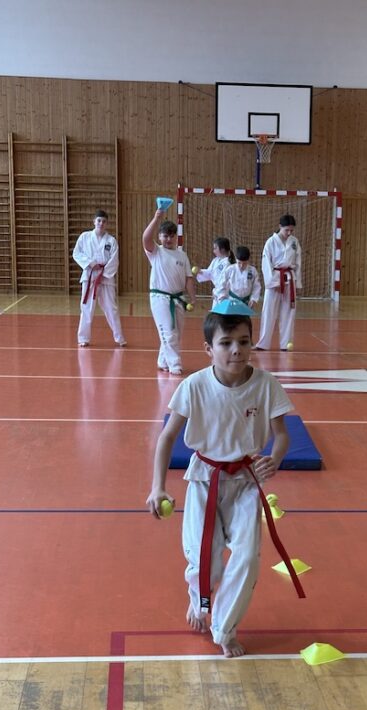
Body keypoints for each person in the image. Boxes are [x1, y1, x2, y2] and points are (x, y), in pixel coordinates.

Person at [146, 298, 304, 658]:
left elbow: (281, 435)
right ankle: (199, 599)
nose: (236, 350)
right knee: (206, 558)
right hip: (205, 480)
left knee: (247, 558)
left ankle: (225, 627)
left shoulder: (266, 385)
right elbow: (167, 437)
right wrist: (158, 487)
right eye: (226, 343)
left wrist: (275, 459)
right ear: (208, 349)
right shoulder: (194, 385)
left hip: (246, 481)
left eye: (244, 342)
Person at [142, 208, 196, 374]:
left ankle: (163, 360)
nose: (168, 239)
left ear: (176, 237)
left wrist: (192, 298)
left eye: (171, 236)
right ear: (160, 237)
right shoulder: (156, 252)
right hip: (160, 297)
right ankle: (175, 364)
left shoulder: (182, 256)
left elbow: (188, 278)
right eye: (165, 236)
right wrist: (156, 219)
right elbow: (145, 238)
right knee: (168, 331)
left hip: (178, 298)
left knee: (176, 333)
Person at [72, 209, 126, 348]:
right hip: (89, 276)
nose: (101, 223)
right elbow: (76, 253)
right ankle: (83, 338)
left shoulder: (111, 241)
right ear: (94, 222)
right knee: (86, 308)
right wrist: (90, 263)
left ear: (107, 224)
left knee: (111, 308)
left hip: (106, 278)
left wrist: (104, 274)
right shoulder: (84, 237)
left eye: (104, 221)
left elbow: (114, 260)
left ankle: (119, 338)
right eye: (99, 220)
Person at [255, 214, 302, 351]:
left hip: (290, 278)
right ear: (280, 226)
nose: (289, 233)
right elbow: (266, 263)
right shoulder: (271, 242)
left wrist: (297, 282)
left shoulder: (294, 242)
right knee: (268, 311)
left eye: (291, 230)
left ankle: (286, 344)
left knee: (289, 312)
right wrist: (272, 282)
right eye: (287, 230)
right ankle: (263, 344)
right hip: (275, 278)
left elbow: (298, 262)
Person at [195, 237, 235, 303]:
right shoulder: (216, 260)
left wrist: (216, 292)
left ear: (222, 249)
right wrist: (200, 272)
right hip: (217, 293)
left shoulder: (228, 264)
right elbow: (210, 273)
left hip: (225, 294)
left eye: (215, 248)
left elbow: (224, 282)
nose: (214, 251)